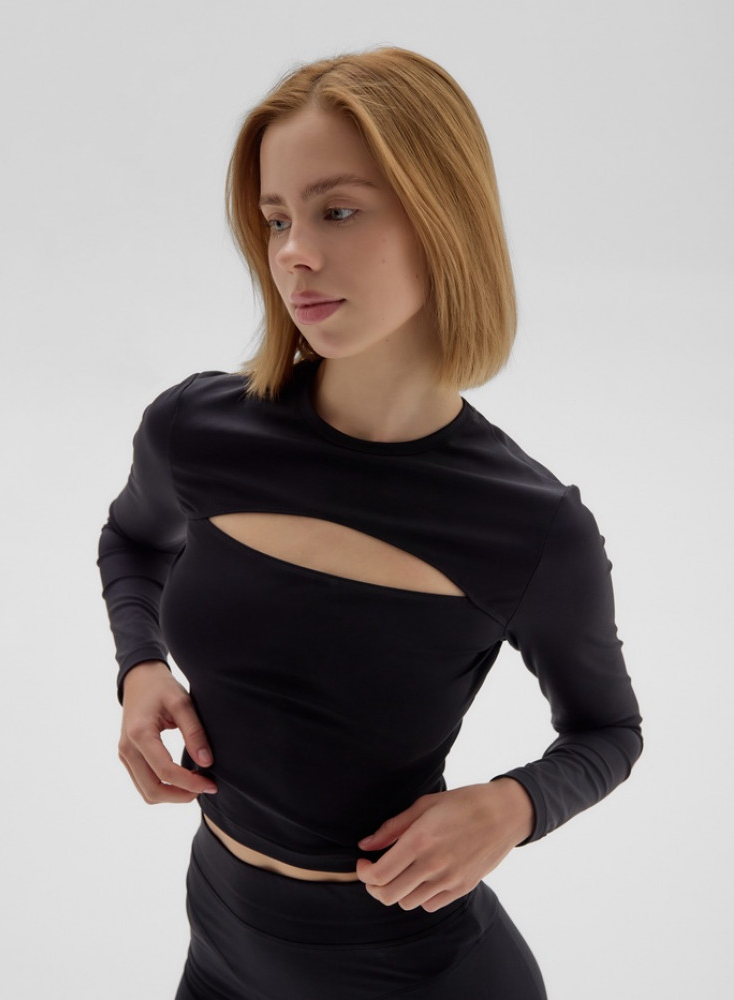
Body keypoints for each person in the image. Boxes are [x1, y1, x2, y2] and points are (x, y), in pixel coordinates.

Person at [97, 45, 643, 1000]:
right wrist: (140, 665)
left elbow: (608, 731)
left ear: (442, 216)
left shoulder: (528, 525)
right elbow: (134, 542)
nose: (292, 253)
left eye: (337, 211)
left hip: (422, 972)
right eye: (276, 219)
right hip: (220, 945)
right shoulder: (197, 429)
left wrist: (510, 807)